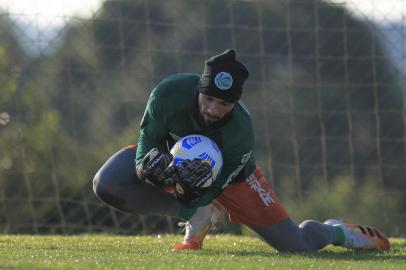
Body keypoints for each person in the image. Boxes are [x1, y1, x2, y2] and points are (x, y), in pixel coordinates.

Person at [93, 49, 390, 252]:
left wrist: (192, 195)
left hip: (232, 179)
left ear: (234, 104)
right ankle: (195, 216)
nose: (212, 109)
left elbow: (212, 189)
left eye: (223, 104)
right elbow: (148, 139)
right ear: (199, 89)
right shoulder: (167, 94)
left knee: (296, 245)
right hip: (177, 161)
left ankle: (336, 231)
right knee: (107, 183)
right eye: (208, 99)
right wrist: (149, 164)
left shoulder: (240, 134)